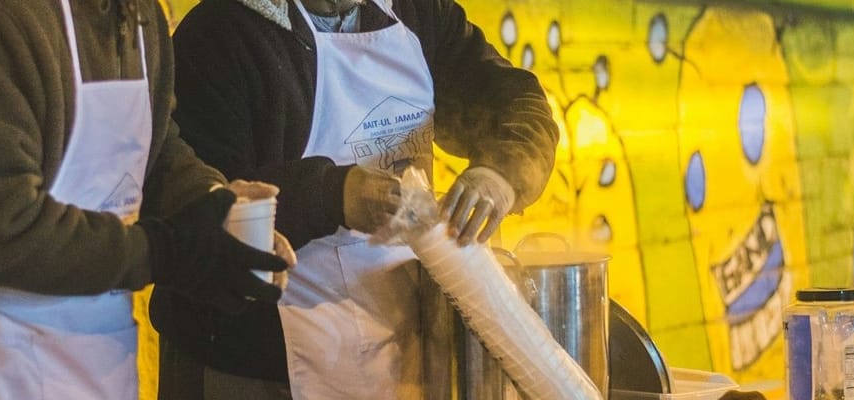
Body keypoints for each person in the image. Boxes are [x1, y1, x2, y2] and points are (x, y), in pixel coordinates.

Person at [0, 0, 292, 398]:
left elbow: (153, 146)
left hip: (80, 338)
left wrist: (211, 205)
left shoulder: (137, 14)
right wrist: (170, 252)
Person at [152, 0, 558, 397]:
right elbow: (195, 205)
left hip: (402, 351)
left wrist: (501, 172)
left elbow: (518, 102)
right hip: (253, 365)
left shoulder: (419, 14)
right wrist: (333, 194)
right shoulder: (221, 34)